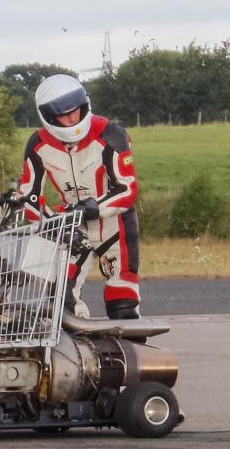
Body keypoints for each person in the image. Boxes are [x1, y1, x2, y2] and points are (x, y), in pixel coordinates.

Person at [13, 74, 141, 320]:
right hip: (72, 227)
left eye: (77, 110)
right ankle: (79, 354)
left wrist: (93, 208)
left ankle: (128, 354)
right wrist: (53, 225)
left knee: (123, 303)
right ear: (49, 116)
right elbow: (29, 196)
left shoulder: (111, 134)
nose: (73, 118)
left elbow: (127, 189)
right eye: (64, 114)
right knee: (61, 301)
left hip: (116, 225)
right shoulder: (38, 144)